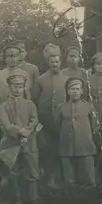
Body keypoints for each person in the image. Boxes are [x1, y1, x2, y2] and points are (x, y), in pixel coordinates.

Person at [55, 77, 100, 204]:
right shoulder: (61, 108)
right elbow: (57, 126)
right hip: (66, 150)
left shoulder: (88, 107)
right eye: (71, 89)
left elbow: (95, 128)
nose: (74, 91)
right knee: (70, 182)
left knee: (89, 181)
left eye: (77, 89)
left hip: (85, 149)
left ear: (82, 91)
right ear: (67, 91)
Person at [0, 74, 43, 204]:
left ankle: (33, 202)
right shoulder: (4, 106)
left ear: (24, 87)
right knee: (14, 172)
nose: (18, 89)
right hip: (11, 142)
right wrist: (19, 132)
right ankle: (17, 201)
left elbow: (34, 120)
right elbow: (6, 125)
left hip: (29, 143)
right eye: (15, 86)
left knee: (32, 172)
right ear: (9, 87)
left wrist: (27, 134)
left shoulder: (30, 104)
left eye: (20, 86)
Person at [32, 45, 67, 190]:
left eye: (57, 61)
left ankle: (60, 179)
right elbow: (34, 100)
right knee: (46, 150)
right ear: (48, 62)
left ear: (60, 62)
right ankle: (46, 179)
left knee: (62, 149)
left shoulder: (67, 79)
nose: (54, 64)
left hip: (61, 122)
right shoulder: (40, 80)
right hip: (45, 122)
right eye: (52, 61)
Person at [0, 44, 32, 123]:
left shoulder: (25, 74)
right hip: (4, 115)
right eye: (10, 56)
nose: (13, 59)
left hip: (21, 115)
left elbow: (28, 97)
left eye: (15, 56)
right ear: (5, 58)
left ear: (19, 57)